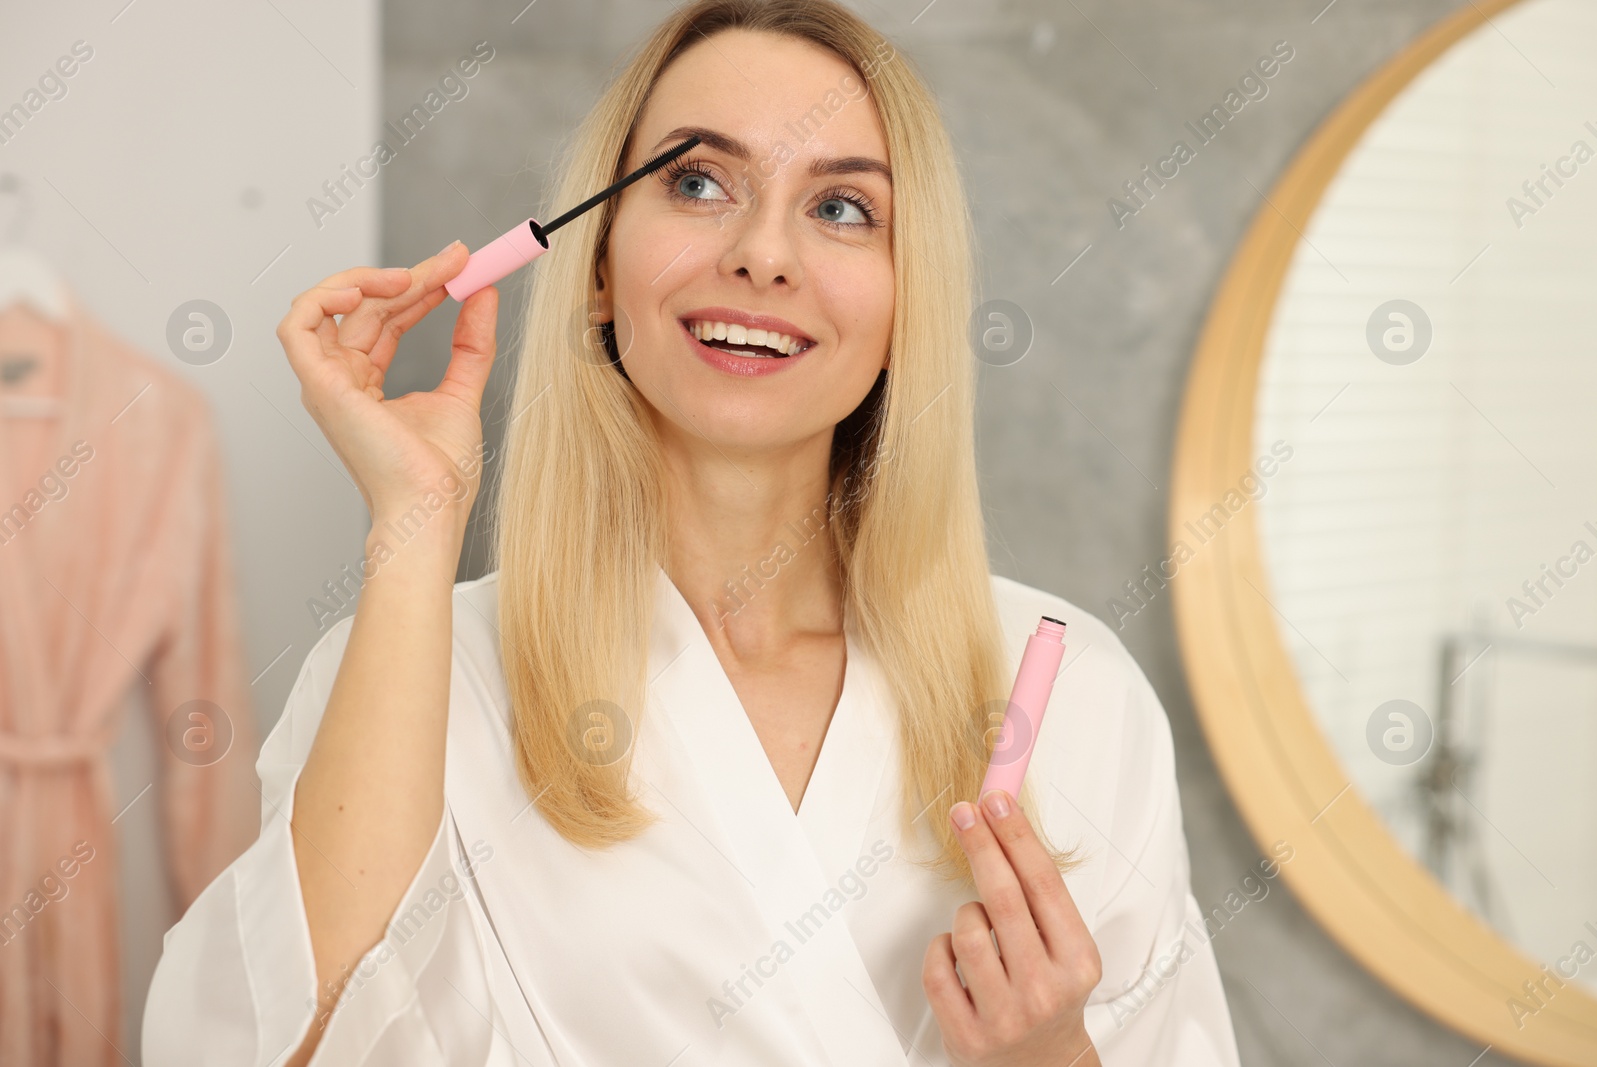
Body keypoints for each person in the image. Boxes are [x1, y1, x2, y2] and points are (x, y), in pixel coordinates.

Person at [142, 1, 1241, 1064]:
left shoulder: (1075, 696)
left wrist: (1044, 1059)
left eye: (844, 207)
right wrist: (416, 524)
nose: (763, 253)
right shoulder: (413, 671)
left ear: (910, 302)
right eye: (698, 181)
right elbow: (280, 1041)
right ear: (600, 268)